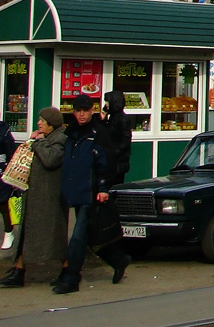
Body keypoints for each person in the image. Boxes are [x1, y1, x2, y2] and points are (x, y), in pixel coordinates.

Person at [54, 94, 130, 294]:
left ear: (92, 111)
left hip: (91, 192)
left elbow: (106, 163)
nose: (81, 114)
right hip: (75, 190)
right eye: (78, 110)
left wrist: (103, 189)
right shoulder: (71, 132)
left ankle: (71, 278)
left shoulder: (98, 133)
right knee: (90, 234)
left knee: (78, 236)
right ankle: (119, 259)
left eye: (85, 110)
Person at [0, 108, 69, 289]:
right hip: (36, 195)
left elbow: (51, 159)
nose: (38, 123)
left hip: (49, 198)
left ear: (51, 123)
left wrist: (38, 142)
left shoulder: (61, 138)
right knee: (27, 234)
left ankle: (67, 269)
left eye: (42, 120)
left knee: (54, 237)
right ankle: (18, 271)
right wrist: (33, 140)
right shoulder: (46, 138)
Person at [100, 90, 131, 186]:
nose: (106, 104)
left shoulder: (123, 119)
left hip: (118, 162)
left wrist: (113, 153)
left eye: (107, 102)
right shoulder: (112, 118)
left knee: (115, 187)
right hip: (111, 161)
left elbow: (126, 141)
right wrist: (103, 120)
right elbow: (104, 134)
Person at [0, 118, 15, 250]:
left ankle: (9, 232)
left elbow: (11, 152)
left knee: (3, 203)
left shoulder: (4, 130)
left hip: (2, 171)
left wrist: (11, 173)